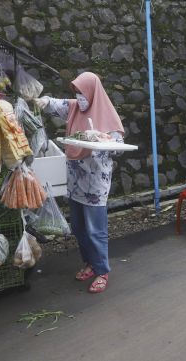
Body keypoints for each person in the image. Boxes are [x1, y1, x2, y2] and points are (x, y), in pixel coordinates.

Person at [35, 72, 125, 293]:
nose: (79, 96)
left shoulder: (106, 114)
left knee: (95, 229)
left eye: (82, 92)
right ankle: (90, 264)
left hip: (95, 182)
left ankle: (102, 270)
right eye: (76, 92)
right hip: (75, 179)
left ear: (93, 92)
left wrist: (101, 138)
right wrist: (43, 101)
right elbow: (55, 104)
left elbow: (118, 146)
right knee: (78, 226)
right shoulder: (75, 107)